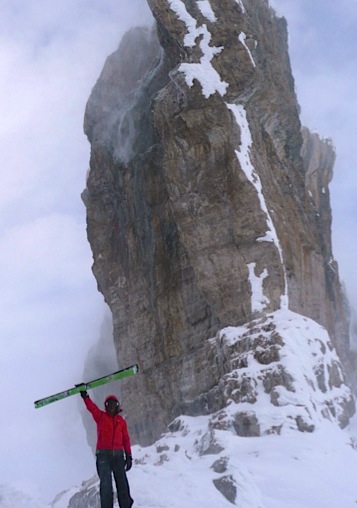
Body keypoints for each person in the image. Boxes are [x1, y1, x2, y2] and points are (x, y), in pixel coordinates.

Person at [80, 390, 134, 508]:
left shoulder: (121, 421)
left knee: (123, 485)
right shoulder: (101, 417)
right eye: (109, 404)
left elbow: (126, 439)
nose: (111, 407)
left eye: (113, 404)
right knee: (106, 485)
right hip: (103, 457)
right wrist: (85, 396)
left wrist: (129, 456)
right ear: (106, 406)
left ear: (117, 405)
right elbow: (92, 408)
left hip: (118, 457)